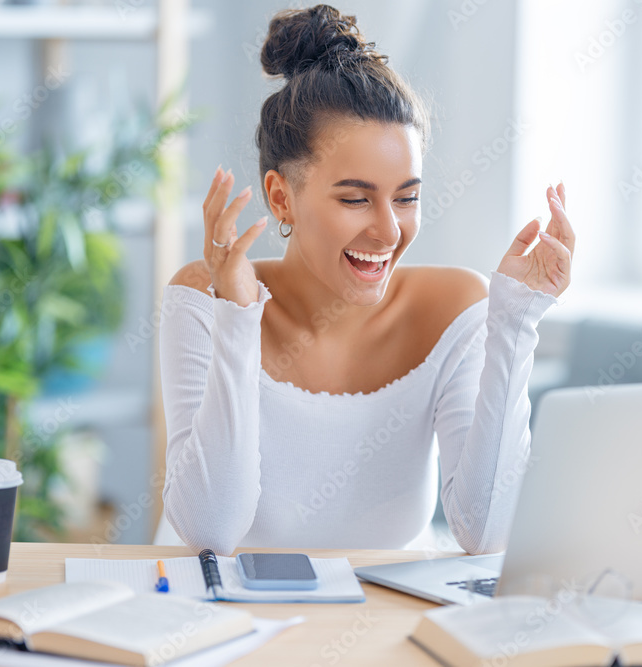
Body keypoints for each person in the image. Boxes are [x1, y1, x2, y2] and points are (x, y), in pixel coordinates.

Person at [159, 4, 574, 556]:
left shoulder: (454, 307)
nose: (388, 231)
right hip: (229, 622)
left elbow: (487, 530)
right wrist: (237, 316)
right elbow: (213, 530)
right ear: (281, 196)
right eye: (355, 199)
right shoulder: (205, 298)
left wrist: (516, 320)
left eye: (407, 198)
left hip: (385, 630)